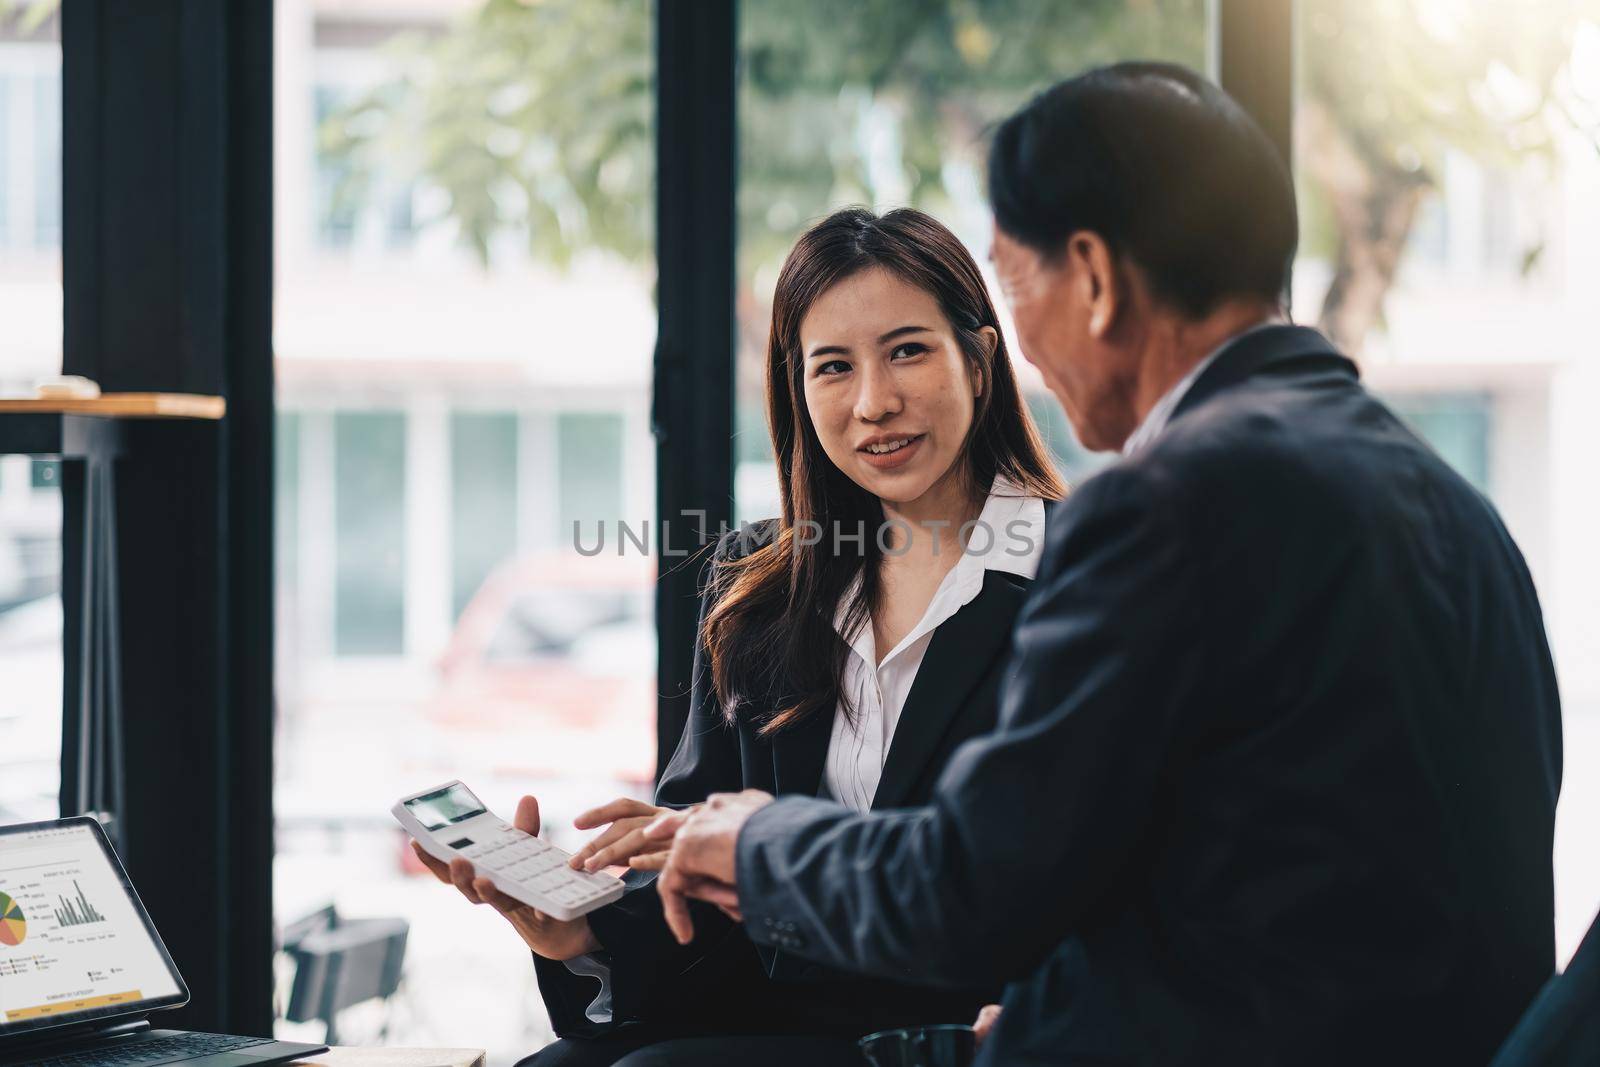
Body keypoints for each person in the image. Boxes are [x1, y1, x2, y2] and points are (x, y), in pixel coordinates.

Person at [641, 62, 1564, 1065]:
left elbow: (972, 888)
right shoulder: (1450, 503)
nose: (1024, 345)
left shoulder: (1168, 504)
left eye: (1013, 276)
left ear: (1092, 277)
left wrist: (757, 840)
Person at [413, 206, 1066, 1065]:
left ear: (979, 361)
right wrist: (583, 932)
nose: (874, 402)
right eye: (832, 367)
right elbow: (705, 887)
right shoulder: (757, 586)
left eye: (907, 350)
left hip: (971, 1032)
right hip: (777, 1022)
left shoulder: (1081, 577)